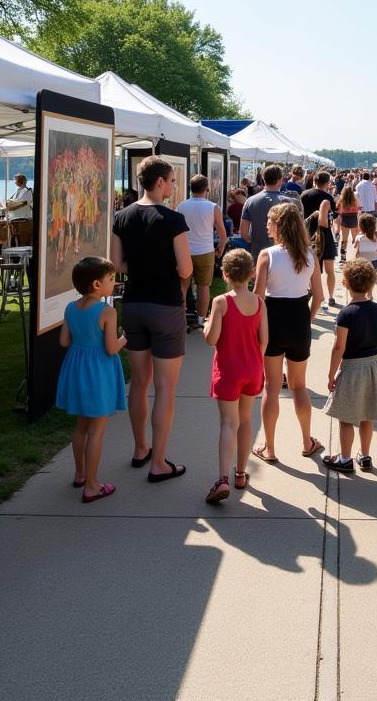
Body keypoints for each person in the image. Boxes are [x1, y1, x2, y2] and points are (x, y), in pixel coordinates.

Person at [110, 157, 193, 481]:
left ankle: (140, 448)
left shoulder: (122, 216)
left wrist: (142, 265)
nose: (173, 187)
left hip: (133, 304)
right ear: (159, 182)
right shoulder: (173, 219)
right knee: (165, 388)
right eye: (172, 181)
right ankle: (159, 462)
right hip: (165, 306)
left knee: (139, 384)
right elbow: (185, 269)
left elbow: (117, 265)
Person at [252, 203, 324, 463]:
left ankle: (269, 448)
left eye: (270, 221)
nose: (267, 226)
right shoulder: (310, 255)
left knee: (271, 387)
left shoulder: (267, 255)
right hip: (299, 321)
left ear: (279, 225)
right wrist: (308, 318)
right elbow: (319, 295)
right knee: (299, 386)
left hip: (272, 322)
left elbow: (258, 298)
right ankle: (307, 441)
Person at [56, 257, 127, 504]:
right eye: (110, 279)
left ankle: (80, 473)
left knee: (81, 426)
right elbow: (110, 348)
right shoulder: (107, 311)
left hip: (77, 369)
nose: (114, 282)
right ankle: (92, 486)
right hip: (98, 373)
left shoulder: (71, 308)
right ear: (97, 284)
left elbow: (64, 341)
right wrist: (123, 340)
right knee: (97, 430)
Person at [202, 249, 268, 503]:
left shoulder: (220, 302)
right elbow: (264, 341)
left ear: (225, 274)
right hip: (252, 369)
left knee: (228, 423)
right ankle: (241, 472)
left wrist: (208, 322)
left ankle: (223, 479)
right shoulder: (260, 303)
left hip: (228, 370)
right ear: (252, 273)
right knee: (245, 420)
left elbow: (211, 339)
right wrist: (253, 360)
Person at [322, 259, 377, 473]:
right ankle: (365, 455)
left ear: (345, 283)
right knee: (367, 415)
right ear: (372, 283)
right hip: (374, 366)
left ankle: (344, 459)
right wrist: (372, 359)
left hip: (352, 369)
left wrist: (331, 375)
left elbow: (338, 348)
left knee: (346, 417)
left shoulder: (346, 314)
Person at [177, 174, 227, 329]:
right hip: (206, 250)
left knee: (183, 286)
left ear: (191, 188)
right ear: (207, 189)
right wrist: (221, 248)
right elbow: (222, 232)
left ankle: (181, 320)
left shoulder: (182, 205)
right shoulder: (213, 207)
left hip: (186, 250)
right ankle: (200, 319)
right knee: (203, 286)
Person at [301, 171, 338, 312]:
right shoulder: (328, 197)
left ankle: (309, 295)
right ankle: (330, 296)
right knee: (330, 269)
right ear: (327, 182)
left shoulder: (304, 195)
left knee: (309, 269)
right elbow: (331, 216)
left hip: (308, 234)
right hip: (325, 234)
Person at [240, 165, 290, 259]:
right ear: (280, 180)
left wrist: (255, 242)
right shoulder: (287, 202)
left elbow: (243, 232)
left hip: (257, 253)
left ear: (263, 179)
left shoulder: (250, 201)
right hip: (282, 254)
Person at [5, 172, 33, 247]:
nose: (14, 182)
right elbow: (12, 200)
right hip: (16, 220)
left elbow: (22, 202)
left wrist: (10, 203)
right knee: (17, 241)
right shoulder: (18, 190)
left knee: (23, 243)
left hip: (23, 221)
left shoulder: (27, 191)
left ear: (20, 181)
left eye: (16, 180)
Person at [336, 185, 360, 263]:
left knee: (344, 240)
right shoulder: (355, 200)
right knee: (355, 239)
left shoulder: (341, 200)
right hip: (354, 218)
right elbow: (358, 209)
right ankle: (357, 256)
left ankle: (343, 258)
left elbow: (338, 210)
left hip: (345, 219)